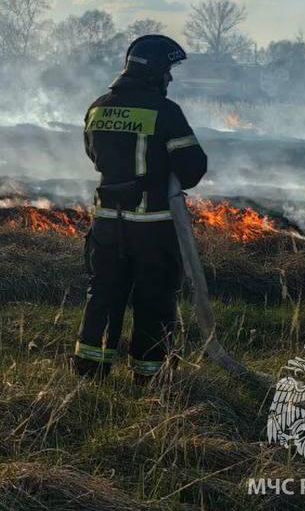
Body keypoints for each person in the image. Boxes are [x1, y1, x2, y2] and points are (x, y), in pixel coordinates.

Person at [72, 34, 208, 382]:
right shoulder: (165, 112)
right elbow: (193, 170)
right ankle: (149, 377)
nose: (170, 79)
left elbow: (94, 156)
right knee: (154, 299)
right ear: (156, 72)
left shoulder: (98, 106)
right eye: (168, 71)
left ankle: (89, 372)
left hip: (106, 224)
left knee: (103, 296)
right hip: (152, 226)